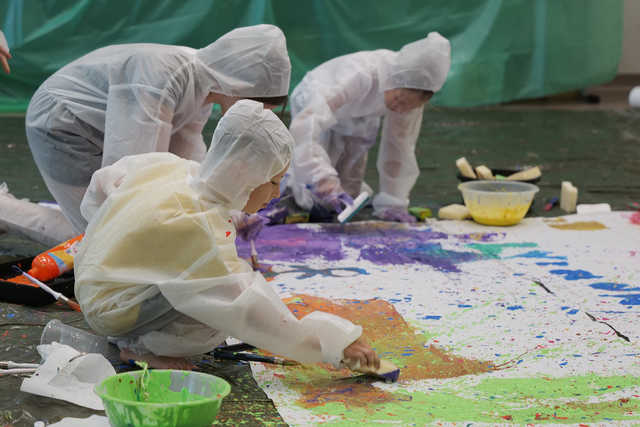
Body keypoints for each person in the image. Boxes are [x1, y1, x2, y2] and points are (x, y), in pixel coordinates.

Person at [74, 100, 380, 371]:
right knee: (209, 322)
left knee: (201, 285)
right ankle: (141, 349)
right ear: (245, 174)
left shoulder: (171, 166)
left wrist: (127, 241)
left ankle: (131, 320)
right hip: (113, 311)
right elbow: (247, 309)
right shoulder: (196, 227)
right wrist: (335, 342)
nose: (275, 194)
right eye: (273, 181)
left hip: (92, 280)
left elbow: (102, 187)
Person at [0, 24, 290, 245]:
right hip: (60, 122)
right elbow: (130, 175)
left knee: (140, 227)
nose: (259, 114)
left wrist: (228, 211)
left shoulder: (206, 85)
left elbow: (188, 158)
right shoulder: (161, 77)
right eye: (260, 105)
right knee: (102, 238)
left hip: (100, 125)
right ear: (238, 86)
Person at [287, 32, 451, 222]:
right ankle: (290, 191)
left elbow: (400, 146)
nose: (400, 108)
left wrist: (393, 202)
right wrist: (322, 180)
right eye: (399, 99)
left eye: (408, 105)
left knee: (349, 195)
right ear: (394, 80)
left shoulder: (409, 94)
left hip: (361, 116)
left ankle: (336, 196)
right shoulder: (361, 74)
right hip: (317, 105)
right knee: (311, 193)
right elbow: (307, 125)